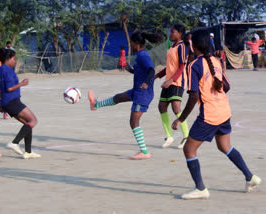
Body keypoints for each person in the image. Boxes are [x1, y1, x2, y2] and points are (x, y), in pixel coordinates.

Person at [172, 28, 261, 200]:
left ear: (194, 44)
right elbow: (226, 86)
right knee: (225, 146)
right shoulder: (215, 60)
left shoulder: (194, 65)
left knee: (189, 149)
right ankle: (250, 177)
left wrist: (180, 119)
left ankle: (200, 189)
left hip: (210, 114)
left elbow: (193, 96)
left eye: (189, 40)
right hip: (224, 110)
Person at [88, 31, 162, 160]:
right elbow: (139, 71)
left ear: (136, 43)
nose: (130, 46)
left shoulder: (143, 55)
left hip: (142, 94)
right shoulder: (140, 55)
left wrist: (145, 83)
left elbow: (151, 70)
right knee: (118, 97)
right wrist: (129, 69)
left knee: (134, 122)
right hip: (136, 91)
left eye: (131, 43)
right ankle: (95, 104)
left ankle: (144, 152)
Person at [0, 48, 41, 159]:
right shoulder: (7, 70)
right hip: (12, 101)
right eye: (14, 59)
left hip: (7, 103)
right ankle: (14, 143)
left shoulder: (0, 70)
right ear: (8, 59)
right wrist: (22, 84)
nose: (15, 61)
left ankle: (28, 152)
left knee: (27, 124)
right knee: (33, 120)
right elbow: (9, 89)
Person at [154, 24, 189, 149]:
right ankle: (169, 136)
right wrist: (157, 75)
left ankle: (186, 136)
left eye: (173, 32)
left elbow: (181, 67)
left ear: (180, 33)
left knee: (175, 107)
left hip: (177, 82)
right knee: (162, 106)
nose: (170, 34)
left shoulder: (182, 47)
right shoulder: (172, 47)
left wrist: (171, 80)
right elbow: (170, 66)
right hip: (168, 81)